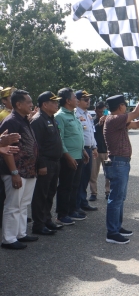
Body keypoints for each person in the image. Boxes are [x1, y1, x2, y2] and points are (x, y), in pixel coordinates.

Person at [104, 82, 139, 244]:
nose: (126, 108)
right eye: (125, 105)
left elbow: (138, 123)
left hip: (122, 162)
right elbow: (136, 112)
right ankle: (112, 232)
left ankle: (117, 227)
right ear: (120, 106)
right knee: (116, 198)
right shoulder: (114, 119)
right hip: (118, 162)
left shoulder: (117, 120)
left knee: (120, 197)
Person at [0, 90, 39, 250]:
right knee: (13, 205)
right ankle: (8, 238)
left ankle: (20, 233)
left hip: (28, 170)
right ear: (19, 104)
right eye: (29, 102)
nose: (31, 105)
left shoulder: (24, 120)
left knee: (23, 204)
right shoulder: (11, 121)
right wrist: (14, 172)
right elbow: (6, 148)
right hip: (16, 171)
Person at [30, 91, 65, 235]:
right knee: (41, 195)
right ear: (45, 104)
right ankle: (38, 224)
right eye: (54, 102)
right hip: (46, 163)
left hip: (55, 162)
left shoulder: (51, 119)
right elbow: (36, 146)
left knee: (50, 193)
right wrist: (41, 164)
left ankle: (47, 219)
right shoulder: (38, 120)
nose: (57, 104)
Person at [54, 88, 89, 226]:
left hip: (78, 155)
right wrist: (68, 156)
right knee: (65, 186)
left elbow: (78, 135)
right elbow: (60, 139)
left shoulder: (73, 114)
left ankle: (72, 210)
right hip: (68, 157)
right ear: (68, 100)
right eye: (75, 97)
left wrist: (83, 151)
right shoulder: (60, 116)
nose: (77, 100)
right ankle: (62, 214)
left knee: (75, 185)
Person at [74, 90, 98, 212]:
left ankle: (83, 202)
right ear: (77, 101)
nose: (88, 101)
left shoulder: (88, 114)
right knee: (79, 179)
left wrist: (94, 146)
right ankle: (77, 204)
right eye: (85, 99)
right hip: (80, 150)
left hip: (89, 149)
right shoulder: (75, 114)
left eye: (89, 99)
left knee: (86, 178)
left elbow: (90, 133)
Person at [89, 101, 109, 201]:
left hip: (107, 151)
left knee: (109, 174)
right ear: (95, 111)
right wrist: (99, 123)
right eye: (101, 111)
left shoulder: (109, 121)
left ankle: (108, 192)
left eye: (105, 111)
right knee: (93, 174)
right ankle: (93, 193)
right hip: (95, 151)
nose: (103, 114)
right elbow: (90, 132)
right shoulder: (91, 121)